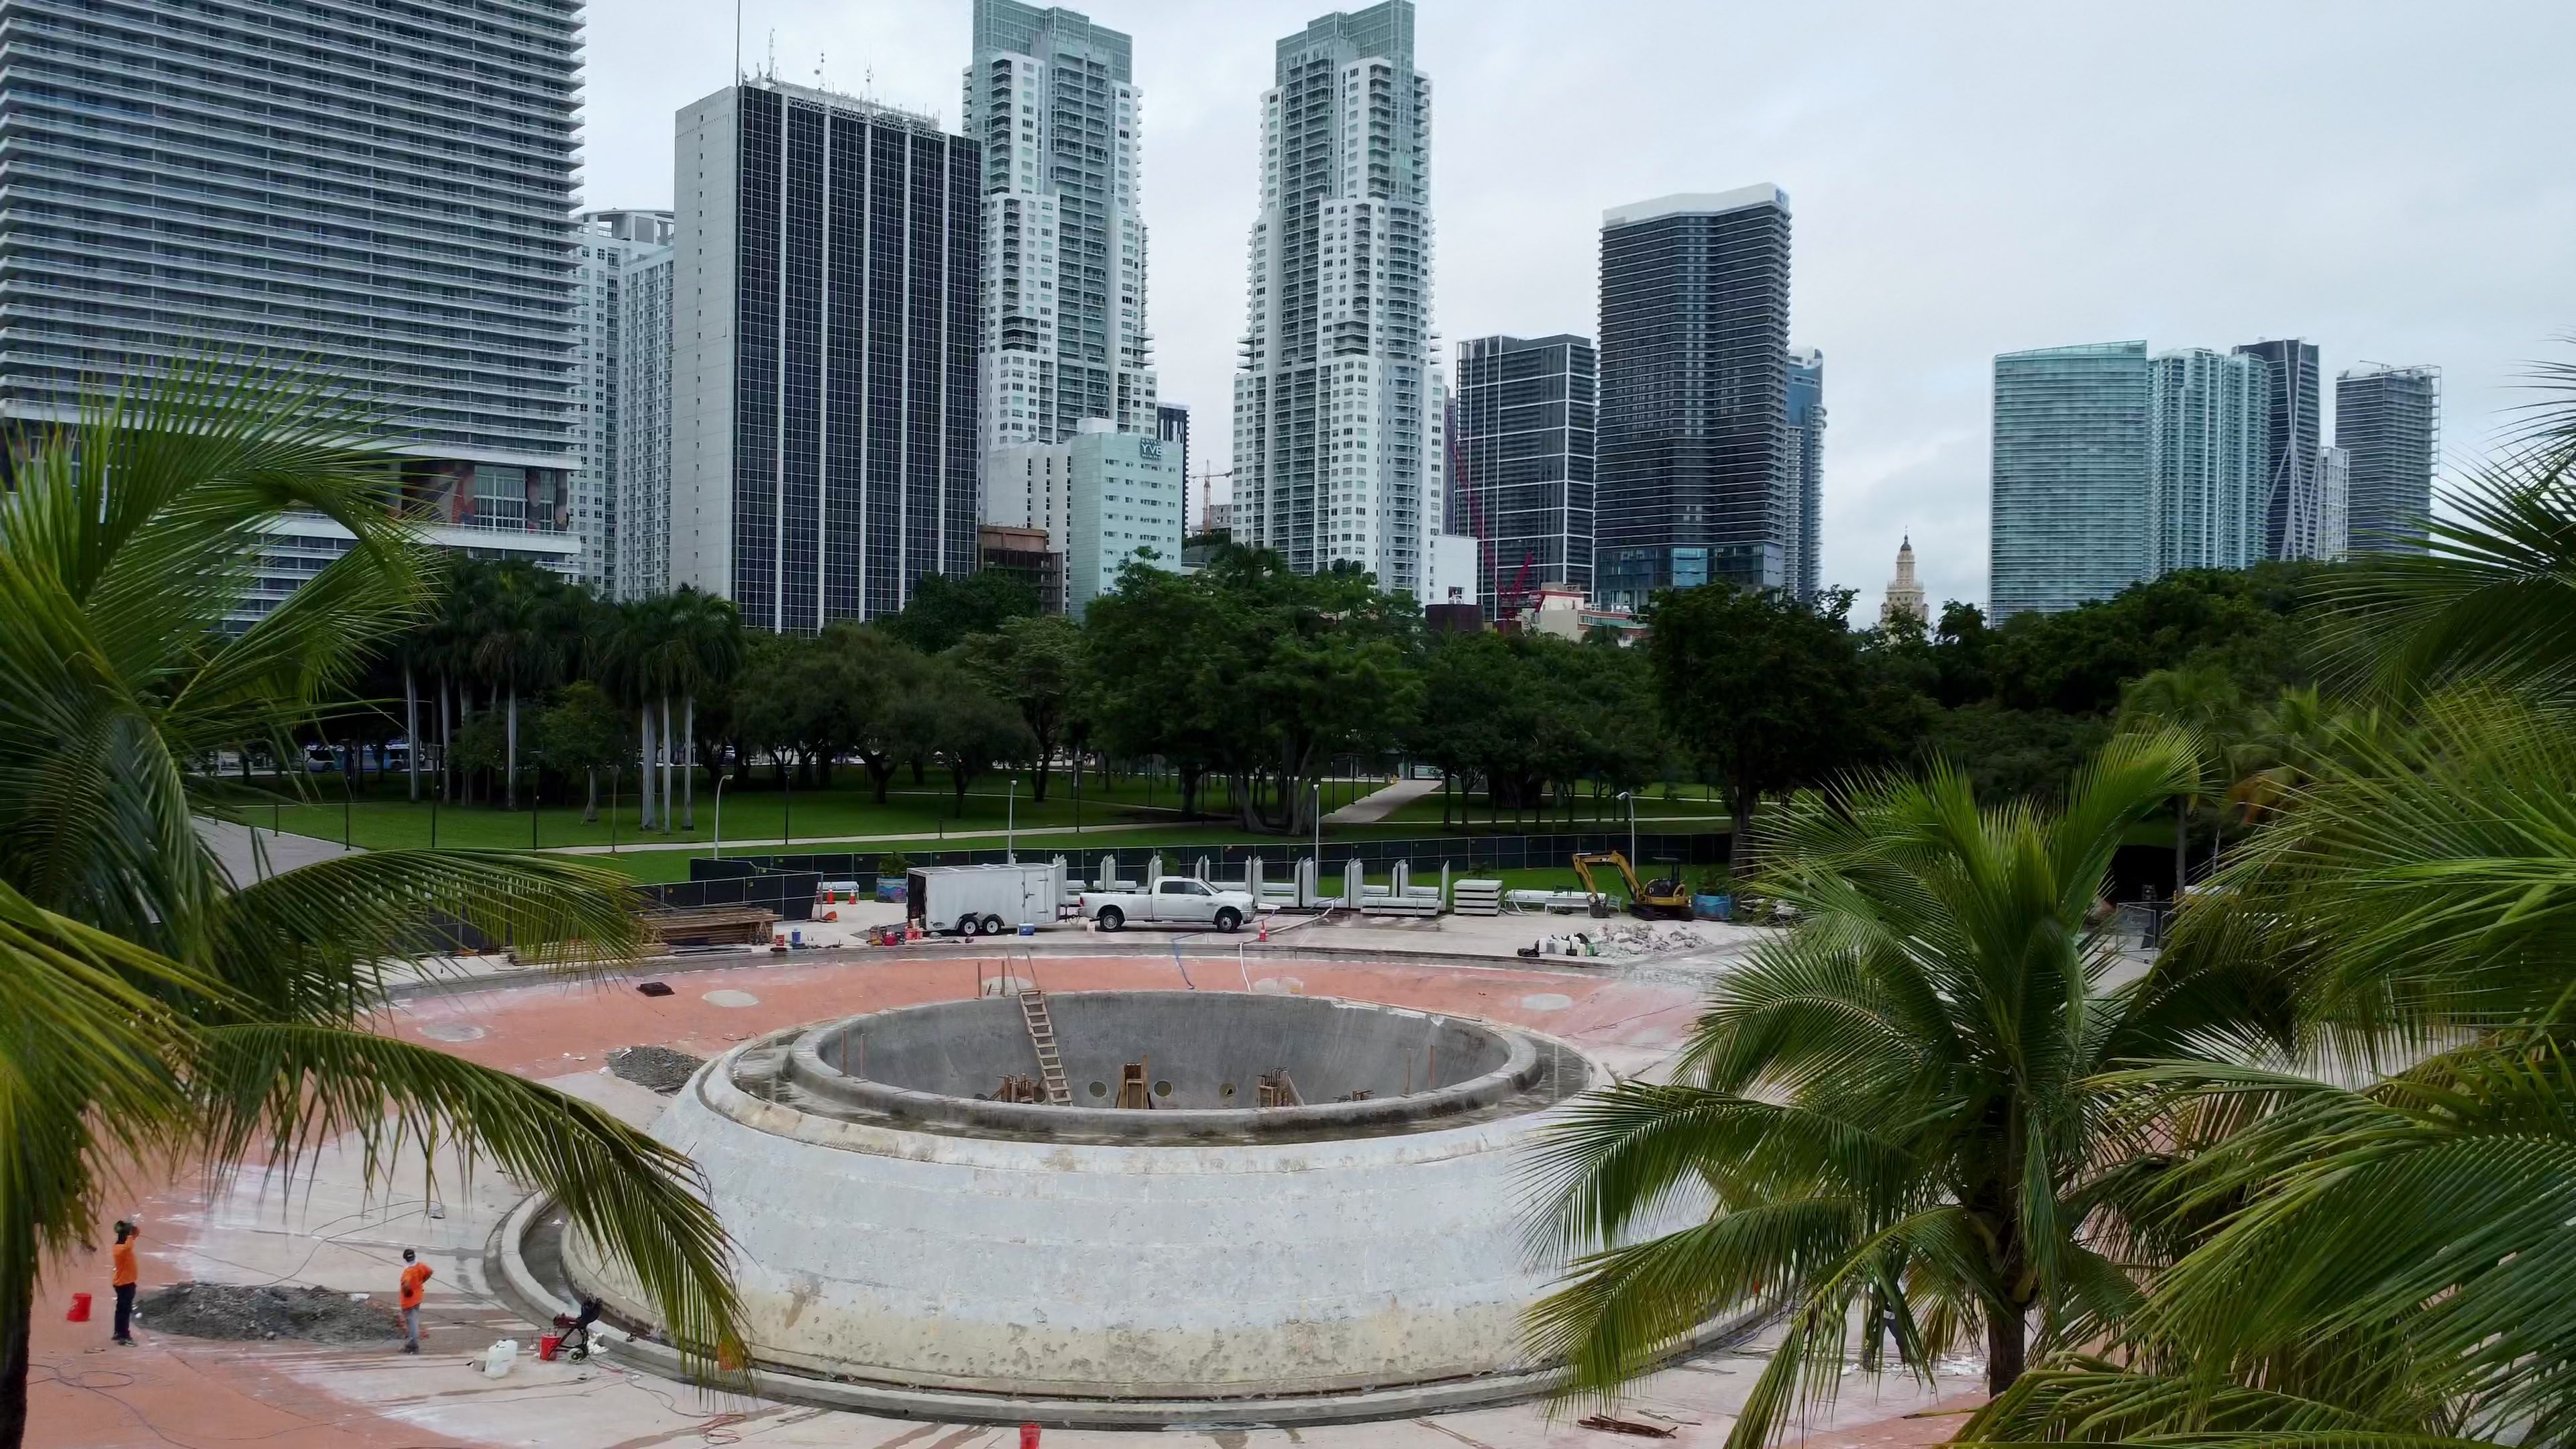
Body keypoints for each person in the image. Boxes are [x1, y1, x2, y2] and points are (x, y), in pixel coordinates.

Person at [109, 1220, 140, 1346]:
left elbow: (136, 1233)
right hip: (125, 1284)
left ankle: (118, 1332)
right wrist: (130, 1234)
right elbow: (129, 1245)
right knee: (125, 1311)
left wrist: (132, 1229)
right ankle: (124, 1336)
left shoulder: (121, 1245)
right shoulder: (121, 1249)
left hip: (124, 1283)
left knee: (120, 1309)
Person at [397, 1248, 431, 1353]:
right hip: (418, 1298)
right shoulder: (420, 1266)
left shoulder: (408, 1271)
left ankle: (413, 1345)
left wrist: (408, 1292)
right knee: (413, 1321)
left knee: (412, 1323)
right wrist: (421, 1282)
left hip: (409, 1302)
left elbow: (406, 1285)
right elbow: (430, 1272)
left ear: (405, 1259)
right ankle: (411, 1342)